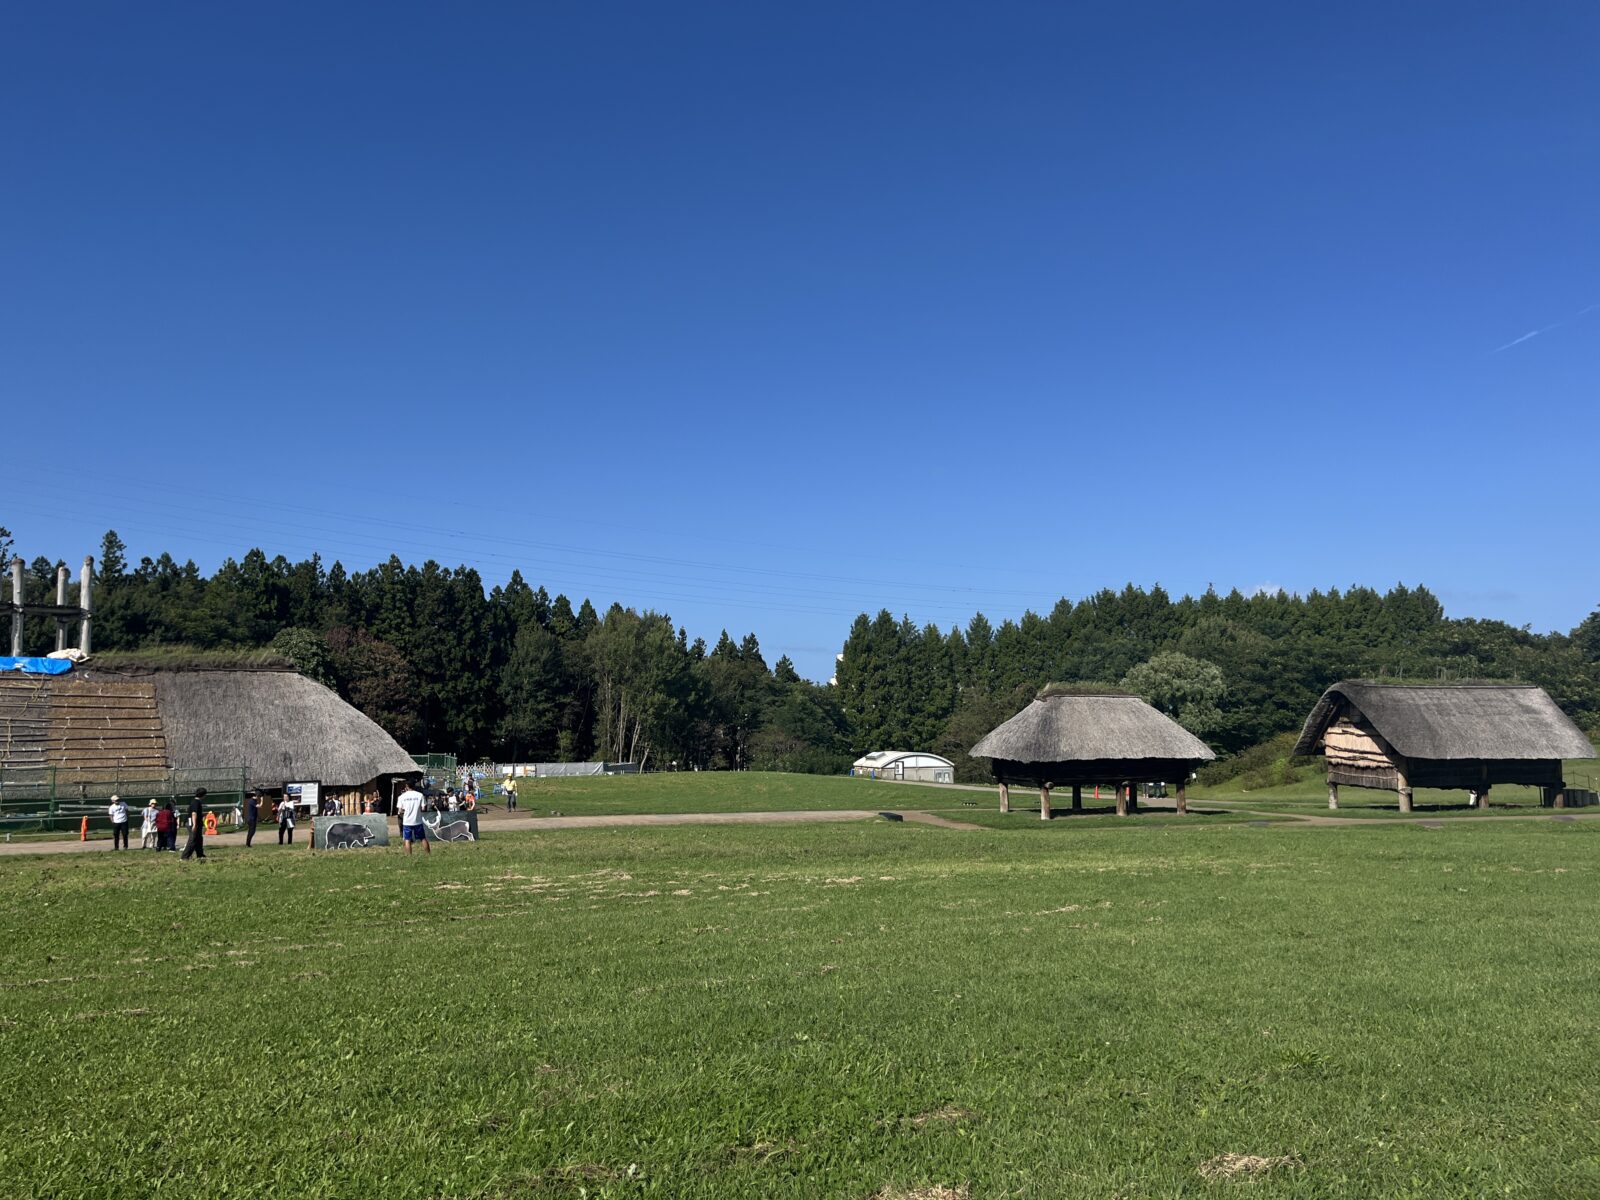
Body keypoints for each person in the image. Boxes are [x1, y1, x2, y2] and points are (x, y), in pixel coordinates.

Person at [397, 776, 430, 856]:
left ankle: (409, 856)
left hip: (407, 821)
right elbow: (423, 808)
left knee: (407, 839)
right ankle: (428, 855)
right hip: (417, 821)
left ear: (406, 786)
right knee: (423, 838)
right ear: (414, 785)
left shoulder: (401, 797)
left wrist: (405, 811)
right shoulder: (420, 795)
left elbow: (400, 810)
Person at [180, 788, 207, 860]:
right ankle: (184, 857)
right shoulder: (196, 802)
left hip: (195, 823)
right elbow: (194, 813)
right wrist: (194, 825)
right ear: (203, 795)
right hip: (192, 823)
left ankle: (200, 855)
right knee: (193, 839)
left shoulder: (196, 802)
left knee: (199, 839)